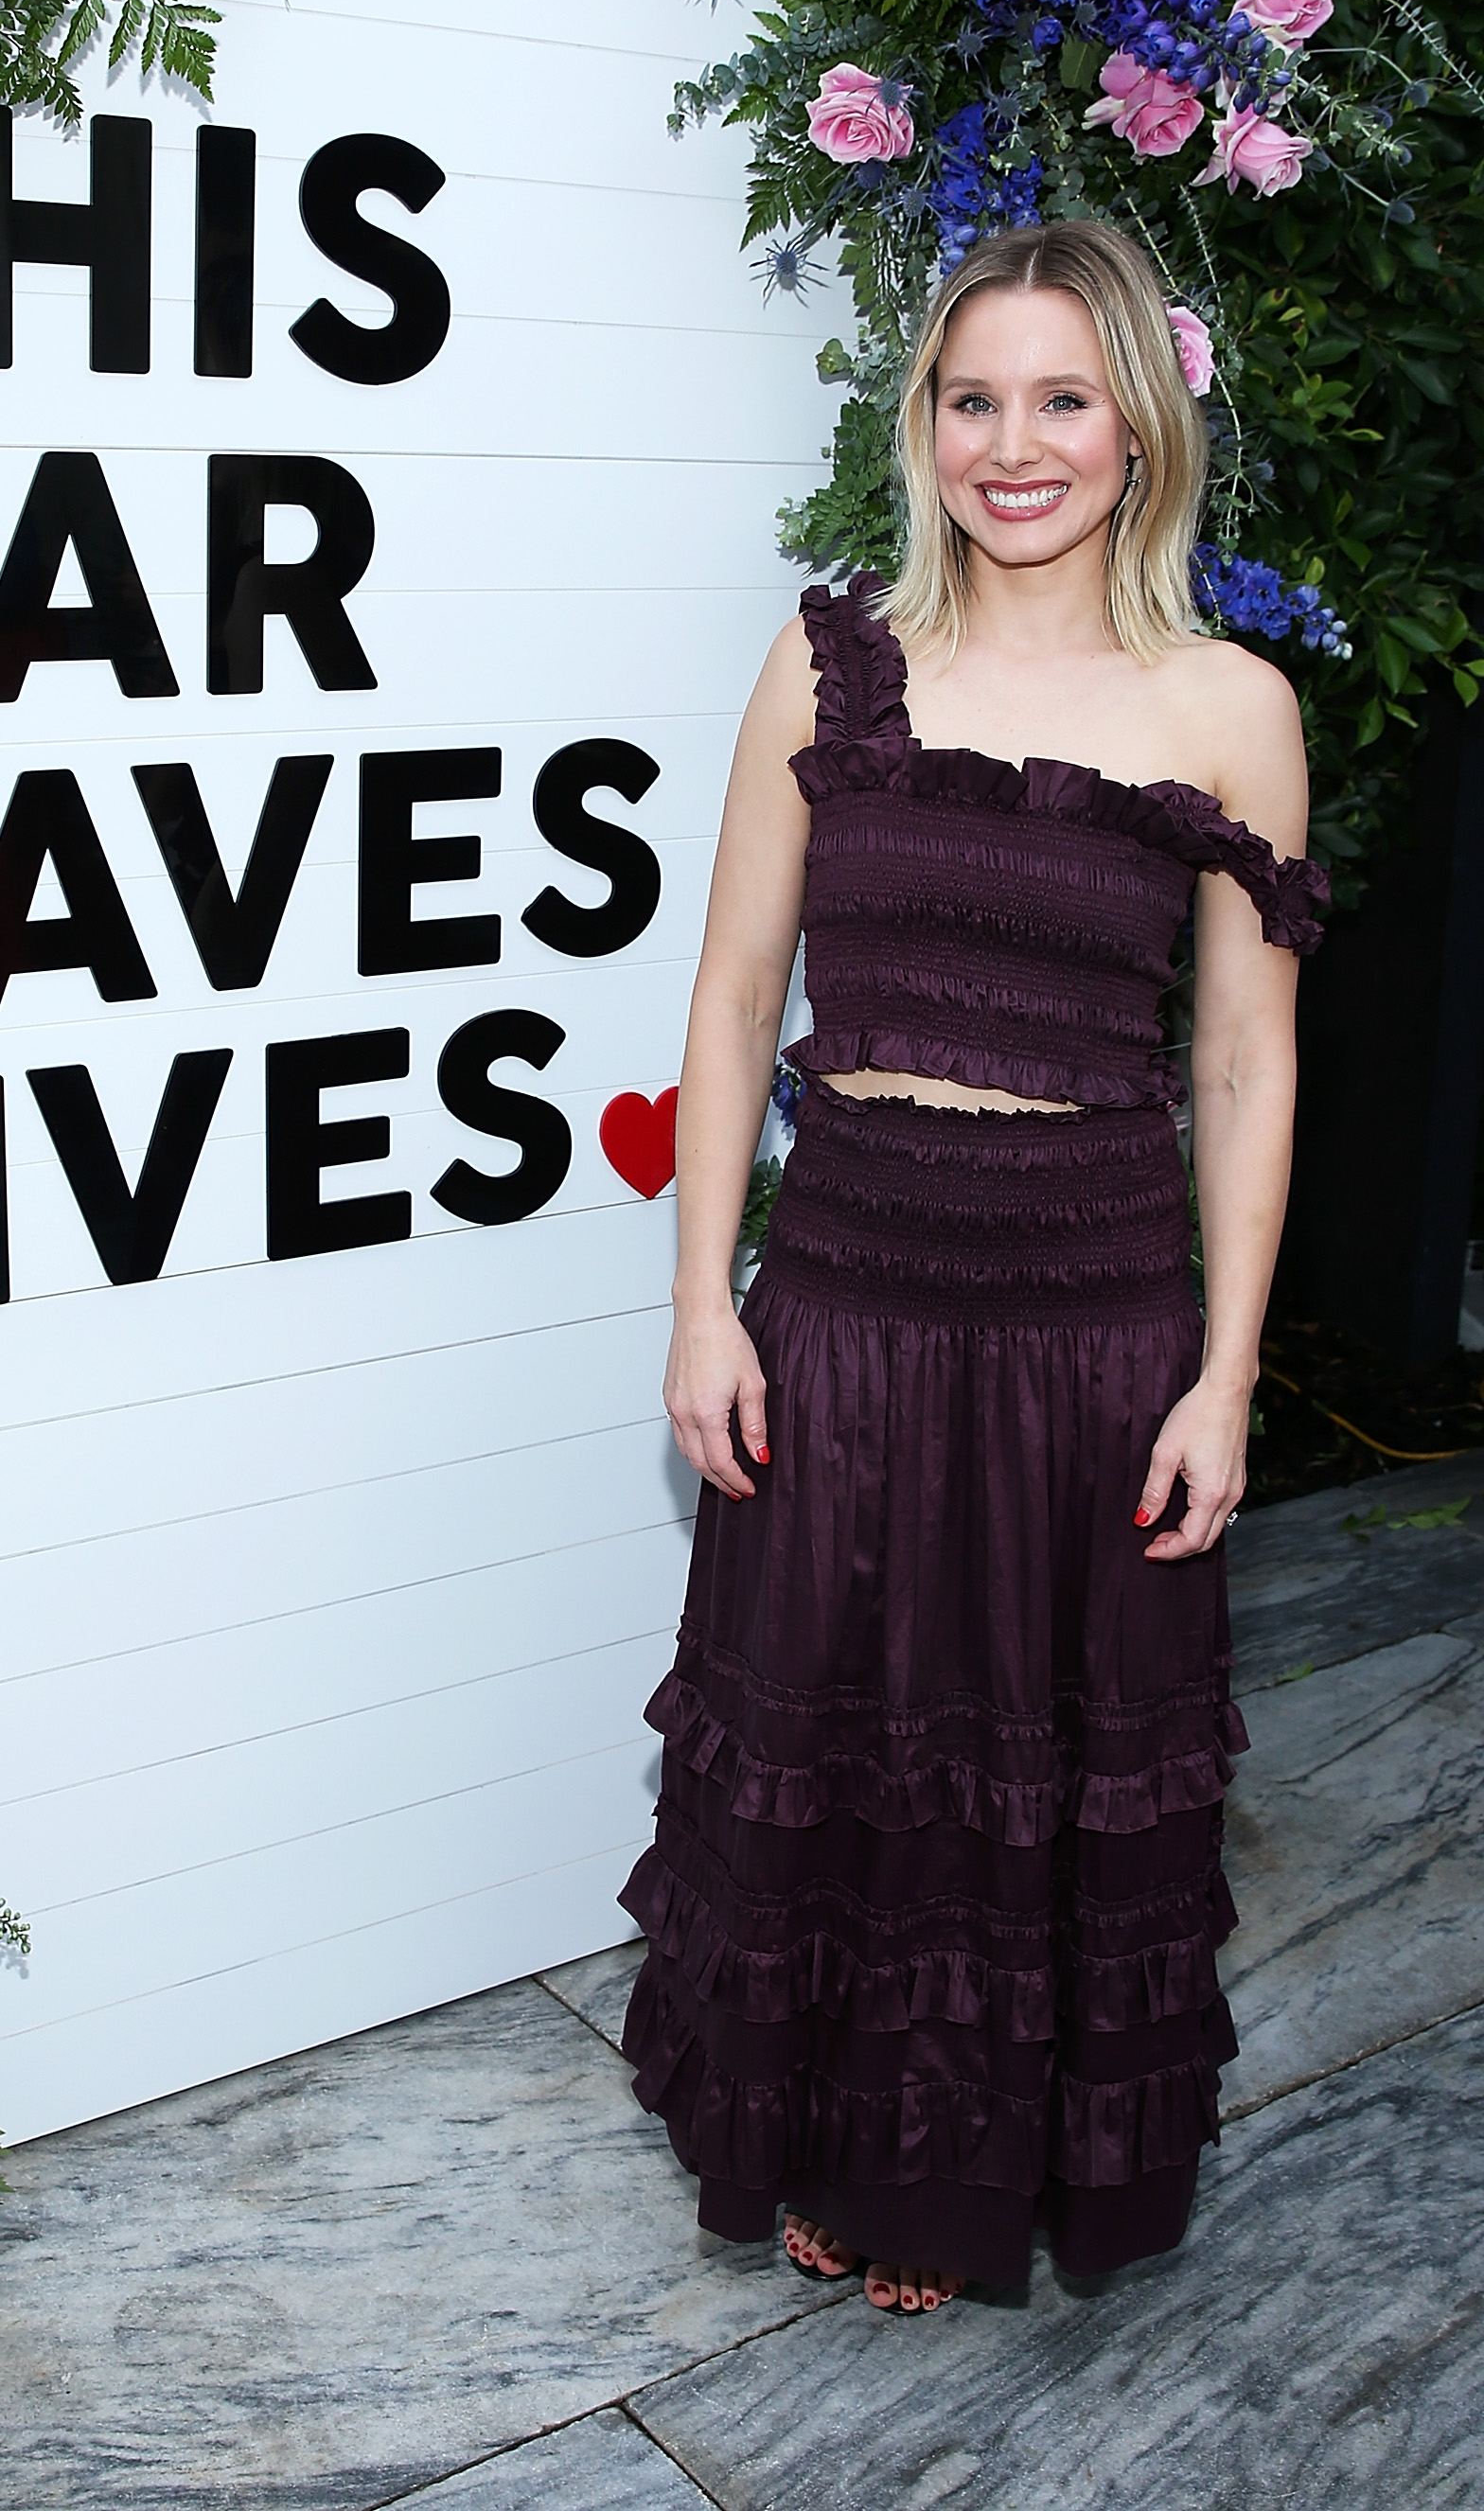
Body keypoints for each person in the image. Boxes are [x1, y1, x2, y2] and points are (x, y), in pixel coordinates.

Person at [619, 220, 1329, 2313]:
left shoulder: (1232, 708)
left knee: (1035, 1775)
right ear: (922, 426)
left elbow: (1246, 1060)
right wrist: (700, 1301)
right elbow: (732, 993)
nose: (1013, 446)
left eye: (1062, 400)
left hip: (1095, 1333)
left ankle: (968, 2182)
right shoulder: (828, 662)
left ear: (1140, 429)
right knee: (844, 1750)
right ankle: (838, 2152)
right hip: (845, 1297)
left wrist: (1226, 1376)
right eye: (972, 399)